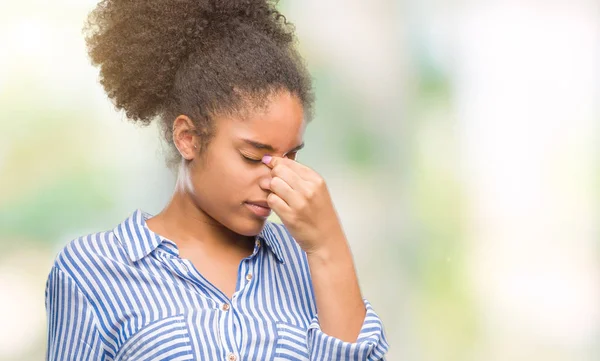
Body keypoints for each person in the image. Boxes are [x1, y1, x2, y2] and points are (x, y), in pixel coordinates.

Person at [44, 0, 389, 360]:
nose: (276, 179)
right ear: (188, 138)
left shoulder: (308, 262)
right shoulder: (91, 271)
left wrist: (327, 248)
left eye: (291, 157)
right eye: (254, 156)